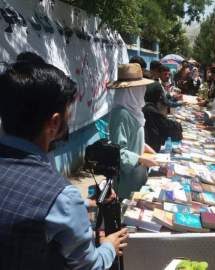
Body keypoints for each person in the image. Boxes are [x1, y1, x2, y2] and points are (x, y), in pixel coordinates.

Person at [0, 60, 128, 269]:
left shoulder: (62, 199)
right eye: (69, 114)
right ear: (55, 123)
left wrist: (85, 203)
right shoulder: (62, 197)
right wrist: (109, 246)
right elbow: (89, 265)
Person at [108, 63, 159, 199]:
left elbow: (134, 138)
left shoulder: (134, 110)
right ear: (130, 91)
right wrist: (142, 159)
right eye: (140, 88)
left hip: (137, 172)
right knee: (126, 211)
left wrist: (148, 149)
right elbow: (118, 152)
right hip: (127, 178)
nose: (143, 91)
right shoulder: (121, 114)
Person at [143, 83, 183, 152]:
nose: (161, 97)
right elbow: (165, 125)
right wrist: (178, 124)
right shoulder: (149, 109)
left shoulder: (146, 106)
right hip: (150, 148)